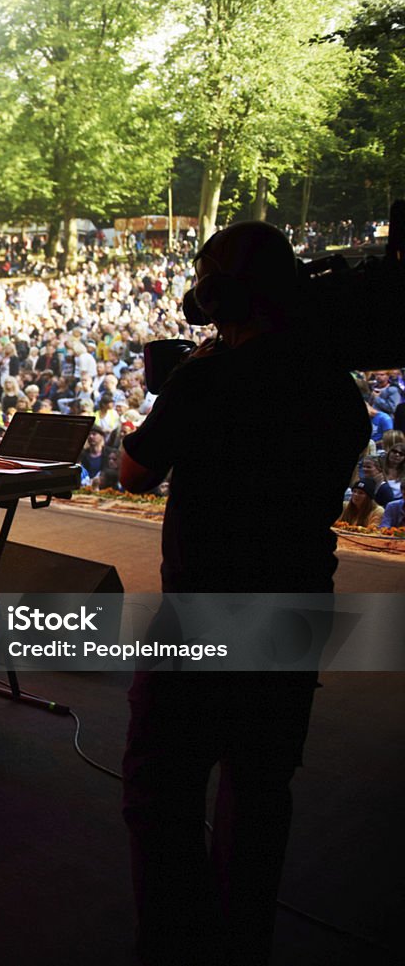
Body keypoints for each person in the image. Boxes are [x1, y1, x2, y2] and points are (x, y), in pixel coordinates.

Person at [118, 222, 372, 966]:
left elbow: (134, 473)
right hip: (296, 607)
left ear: (217, 297)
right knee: (259, 791)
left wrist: (190, 381)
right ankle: (243, 942)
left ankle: (175, 942)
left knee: (160, 789)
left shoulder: (208, 378)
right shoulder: (334, 385)